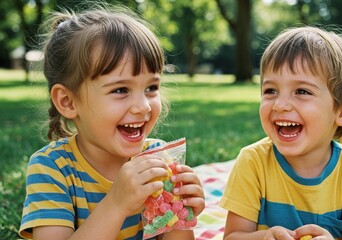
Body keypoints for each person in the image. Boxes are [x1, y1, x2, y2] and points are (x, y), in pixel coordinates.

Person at [19, 5, 205, 240]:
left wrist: (180, 215)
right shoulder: (52, 169)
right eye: (120, 89)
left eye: (151, 88)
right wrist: (117, 204)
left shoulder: (156, 158)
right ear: (67, 102)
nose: (144, 106)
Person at [219, 26, 342, 240]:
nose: (280, 105)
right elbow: (233, 236)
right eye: (270, 90)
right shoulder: (253, 162)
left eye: (302, 91)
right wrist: (263, 237)